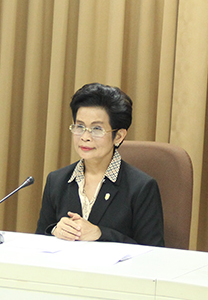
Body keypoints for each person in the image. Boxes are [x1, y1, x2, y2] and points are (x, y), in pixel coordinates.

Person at [36, 83, 165, 246]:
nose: (85, 137)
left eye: (96, 129)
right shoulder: (56, 181)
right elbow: (39, 242)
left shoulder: (141, 187)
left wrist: (101, 234)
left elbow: (154, 252)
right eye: (80, 126)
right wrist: (54, 231)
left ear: (118, 136)